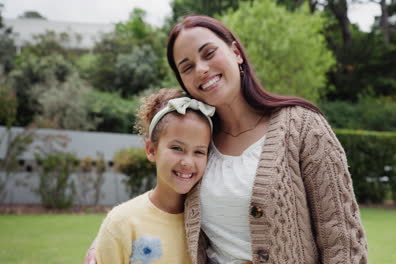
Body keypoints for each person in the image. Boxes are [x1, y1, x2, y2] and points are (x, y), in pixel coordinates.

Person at [86, 15, 368, 264]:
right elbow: (166, 195)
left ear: (236, 52)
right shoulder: (199, 143)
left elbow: (342, 238)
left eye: (209, 53)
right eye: (187, 67)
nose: (201, 69)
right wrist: (111, 239)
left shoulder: (304, 125)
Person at [91, 88, 213, 264]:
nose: (188, 162)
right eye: (177, 148)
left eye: (199, 152)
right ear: (151, 150)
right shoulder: (122, 222)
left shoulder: (210, 222)